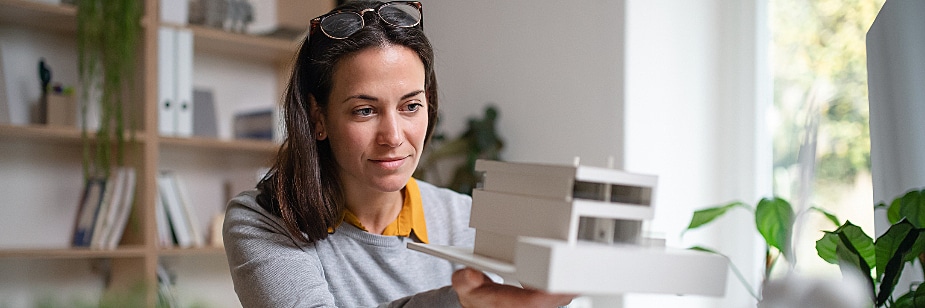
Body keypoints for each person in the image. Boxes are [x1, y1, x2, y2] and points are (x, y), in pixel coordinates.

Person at [222, 1, 575, 307]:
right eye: (364, 110)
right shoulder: (264, 219)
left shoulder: (466, 219)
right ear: (318, 118)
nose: (393, 136)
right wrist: (463, 302)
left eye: (410, 106)